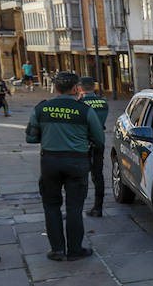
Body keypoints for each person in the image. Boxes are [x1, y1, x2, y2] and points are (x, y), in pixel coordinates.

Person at [26, 72, 104, 261]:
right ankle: (75, 250)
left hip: (50, 162)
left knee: (51, 206)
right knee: (74, 207)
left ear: (55, 87)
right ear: (76, 89)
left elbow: (30, 137)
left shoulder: (41, 108)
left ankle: (57, 250)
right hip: (77, 162)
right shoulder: (84, 110)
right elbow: (99, 140)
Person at [78, 76, 109, 217]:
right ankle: (98, 207)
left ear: (79, 88)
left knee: (80, 177)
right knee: (98, 175)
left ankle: (76, 208)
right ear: (94, 87)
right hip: (99, 142)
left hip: (83, 143)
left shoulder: (80, 103)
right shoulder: (103, 102)